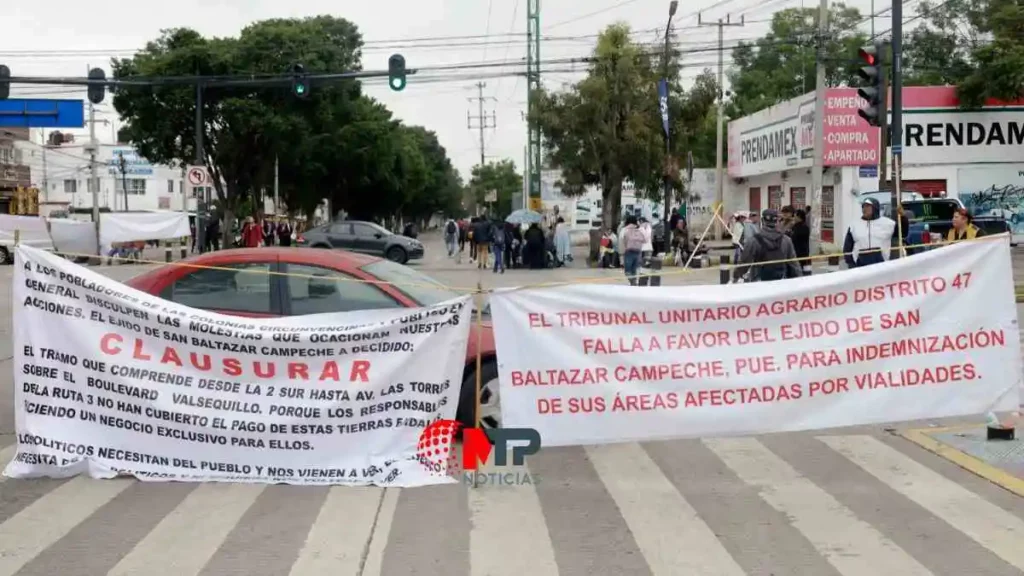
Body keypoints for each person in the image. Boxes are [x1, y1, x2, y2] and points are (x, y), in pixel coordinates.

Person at [737, 209, 802, 282]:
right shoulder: (786, 240)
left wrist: (736, 277)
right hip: (781, 282)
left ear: (762, 220)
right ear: (777, 221)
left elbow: (744, 263)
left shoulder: (753, 241)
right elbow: (794, 264)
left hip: (759, 284)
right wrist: (800, 281)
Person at [843, 197, 896, 268]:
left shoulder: (888, 223)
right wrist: (851, 263)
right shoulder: (854, 225)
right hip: (859, 266)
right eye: (863, 206)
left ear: (875, 207)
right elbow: (847, 247)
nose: (864, 209)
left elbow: (903, 233)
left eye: (867, 206)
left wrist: (903, 218)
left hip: (882, 265)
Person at [619, 215, 645, 285]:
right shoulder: (639, 229)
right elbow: (644, 239)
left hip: (628, 252)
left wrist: (621, 254)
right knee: (634, 270)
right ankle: (634, 282)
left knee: (627, 271)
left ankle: (633, 282)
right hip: (638, 251)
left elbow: (621, 242)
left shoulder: (624, 229)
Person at [791, 209, 811, 275]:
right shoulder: (794, 227)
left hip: (802, 255)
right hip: (796, 253)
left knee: (803, 273)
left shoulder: (804, 228)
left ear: (799, 217)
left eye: (795, 216)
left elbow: (795, 238)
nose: (793, 217)